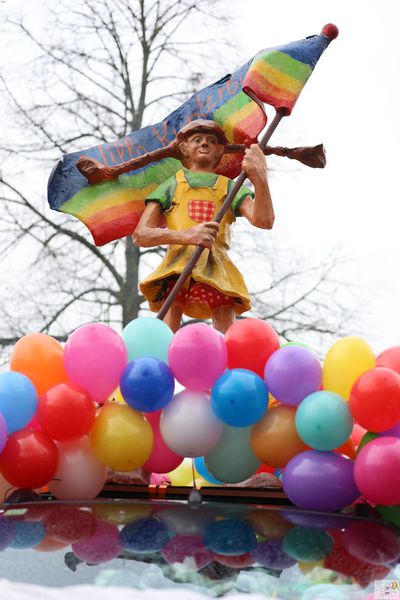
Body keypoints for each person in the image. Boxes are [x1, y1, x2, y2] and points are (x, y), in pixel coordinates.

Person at [133, 119, 275, 333]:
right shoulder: (172, 185)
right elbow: (141, 234)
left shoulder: (229, 187)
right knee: (170, 318)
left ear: (220, 150)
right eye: (197, 139)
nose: (204, 143)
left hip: (217, 265)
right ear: (184, 148)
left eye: (211, 140)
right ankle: (164, 352)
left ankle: (225, 354)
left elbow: (264, 220)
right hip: (178, 264)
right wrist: (187, 236)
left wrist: (260, 178)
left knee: (225, 321)